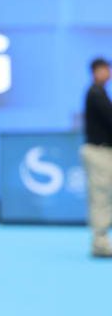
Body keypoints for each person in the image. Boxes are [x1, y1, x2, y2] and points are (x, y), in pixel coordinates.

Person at [82, 58, 112, 258]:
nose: (108, 73)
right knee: (101, 197)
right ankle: (100, 242)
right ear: (95, 71)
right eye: (104, 69)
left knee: (104, 197)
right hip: (99, 152)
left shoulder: (101, 92)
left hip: (103, 152)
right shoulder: (96, 93)